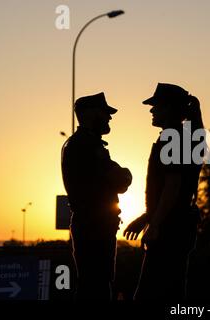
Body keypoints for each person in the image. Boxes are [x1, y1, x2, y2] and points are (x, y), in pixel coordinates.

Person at [124, 83, 204, 300]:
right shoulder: (183, 137)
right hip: (178, 225)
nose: (152, 110)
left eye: (156, 106)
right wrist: (146, 218)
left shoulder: (172, 138)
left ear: (169, 108)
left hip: (170, 228)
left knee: (150, 294)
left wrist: (155, 224)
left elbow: (173, 187)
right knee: (172, 291)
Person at [61, 92, 132, 300]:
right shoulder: (87, 145)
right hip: (95, 227)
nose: (109, 118)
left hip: (92, 225)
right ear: (91, 113)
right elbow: (119, 180)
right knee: (96, 286)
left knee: (92, 284)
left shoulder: (81, 143)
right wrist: (126, 173)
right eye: (105, 112)